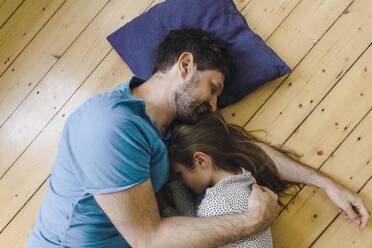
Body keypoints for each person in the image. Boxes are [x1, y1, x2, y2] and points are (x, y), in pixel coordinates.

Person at [26, 28, 369, 248]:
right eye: (213, 88)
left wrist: (324, 184)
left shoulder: (175, 129)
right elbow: (149, 239)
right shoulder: (109, 125)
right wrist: (252, 222)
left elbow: (245, 149)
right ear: (185, 65)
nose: (214, 104)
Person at [161, 111, 301, 247]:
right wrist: (173, 187)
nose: (181, 182)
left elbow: (189, 227)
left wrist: (162, 200)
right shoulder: (244, 179)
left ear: (200, 161)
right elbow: (192, 220)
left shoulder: (216, 205)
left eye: (179, 174)